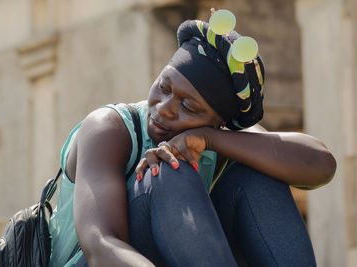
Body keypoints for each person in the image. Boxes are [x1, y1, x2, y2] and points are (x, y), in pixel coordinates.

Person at [48, 18, 336, 266]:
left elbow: (321, 164)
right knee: (167, 170)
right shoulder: (110, 128)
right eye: (164, 87)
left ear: (217, 122)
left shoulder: (218, 136)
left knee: (259, 176)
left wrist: (211, 139)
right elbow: (100, 246)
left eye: (189, 107)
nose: (164, 108)